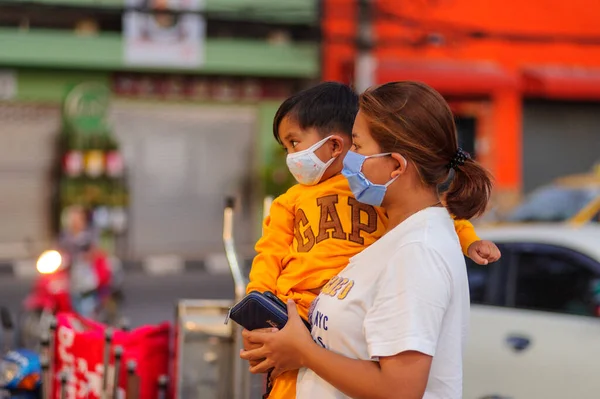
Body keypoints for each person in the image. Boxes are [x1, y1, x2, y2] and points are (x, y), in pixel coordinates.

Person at [245, 82, 500, 398]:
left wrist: (302, 351)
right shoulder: (391, 242)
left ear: (395, 165)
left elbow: (400, 390)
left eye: (358, 146)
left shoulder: (417, 252)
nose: (346, 157)